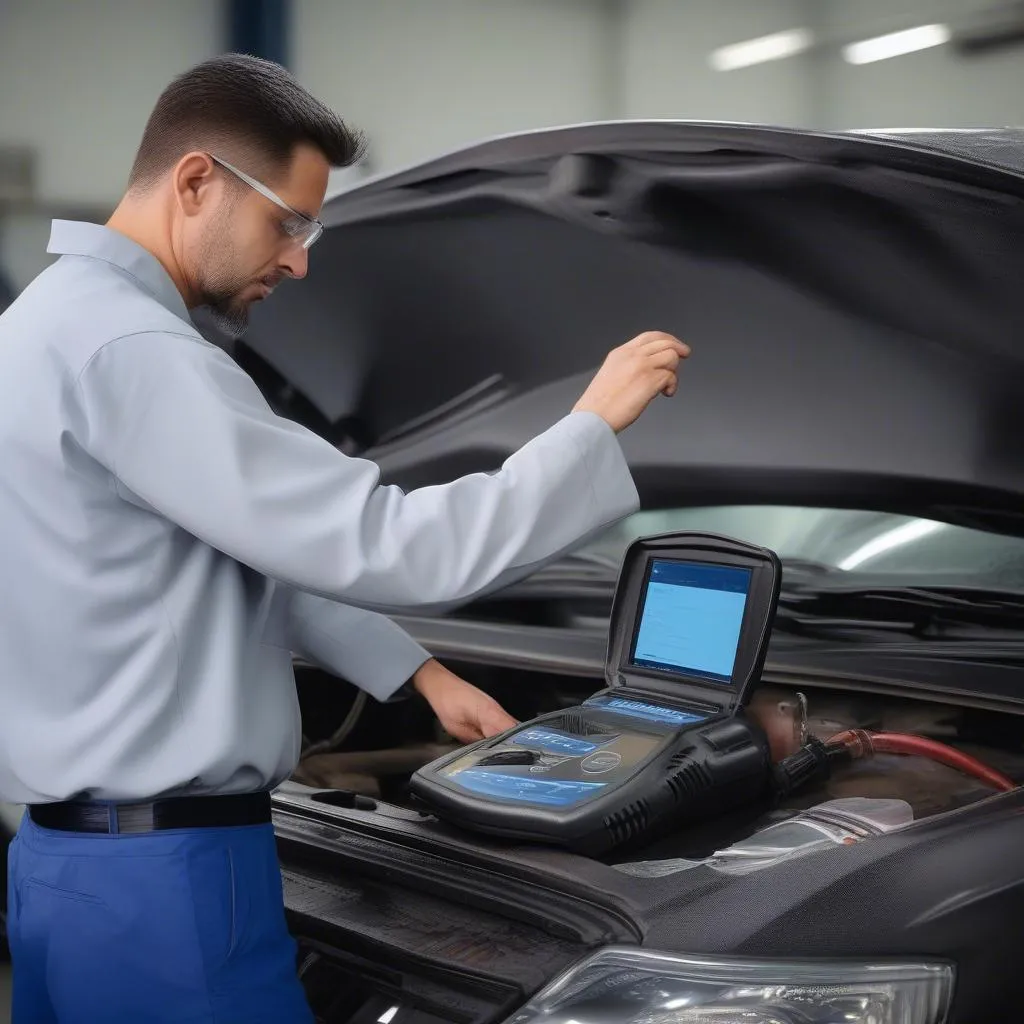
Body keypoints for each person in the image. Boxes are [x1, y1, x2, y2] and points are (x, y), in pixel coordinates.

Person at [0, 53, 689, 1023]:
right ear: (197, 182)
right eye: (289, 221)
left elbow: (216, 557)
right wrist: (587, 427)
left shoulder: (36, 330)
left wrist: (418, 677)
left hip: (61, 872)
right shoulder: (141, 357)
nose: (300, 259)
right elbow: (396, 544)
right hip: (169, 887)